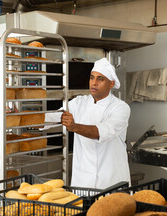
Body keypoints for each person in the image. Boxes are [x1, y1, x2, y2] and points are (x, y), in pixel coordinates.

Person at [46, 58, 131, 189]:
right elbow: (51, 117)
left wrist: (74, 127)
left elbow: (101, 132)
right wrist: (19, 116)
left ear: (111, 84)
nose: (94, 83)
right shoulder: (78, 103)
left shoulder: (120, 108)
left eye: (100, 79)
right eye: (92, 78)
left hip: (111, 182)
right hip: (82, 182)